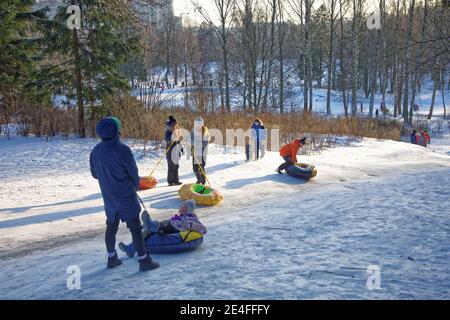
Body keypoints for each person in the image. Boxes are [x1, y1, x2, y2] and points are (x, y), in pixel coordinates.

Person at [90, 117, 159, 272]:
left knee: (111, 226)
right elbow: (133, 174)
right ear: (116, 131)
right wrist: (133, 185)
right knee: (135, 228)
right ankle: (144, 261)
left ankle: (111, 257)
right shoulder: (122, 149)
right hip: (126, 195)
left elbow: (95, 174)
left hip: (109, 197)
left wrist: (107, 176)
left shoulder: (95, 151)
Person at [141, 200, 207, 238]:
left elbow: (204, 229)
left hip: (178, 230)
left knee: (166, 223)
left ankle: (151, 225)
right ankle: (147, 227)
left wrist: (191, 225)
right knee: (165, 224)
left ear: (188, 209)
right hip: (173, 228)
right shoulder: (180, 216)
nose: (181, 208)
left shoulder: (191, 217)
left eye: (184, 207)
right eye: (181, 206)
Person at [165, 116, 183, 186]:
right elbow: (167, 139)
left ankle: (176, 180)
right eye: (174, 125)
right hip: (170, 151)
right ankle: (170, 181)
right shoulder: (168, 131)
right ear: (171, 125)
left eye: (176, 124)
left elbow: (178, 142)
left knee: (176, 166)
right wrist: (172, 138)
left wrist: (181, 148)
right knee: (171, 166)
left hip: (176, 151)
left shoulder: (177, 131)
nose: (176, 126)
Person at [191, 117, 210, 185]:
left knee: (201, 168)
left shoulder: (205, 131)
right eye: (196, 124)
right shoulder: (193, 131)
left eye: (199, 124)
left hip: (202, 153)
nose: (198, 125)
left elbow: (205, 143)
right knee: (195, 168)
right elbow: (191, 140)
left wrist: (198, 145)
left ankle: (203, 181)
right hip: (195, 153)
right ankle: (199, 179)